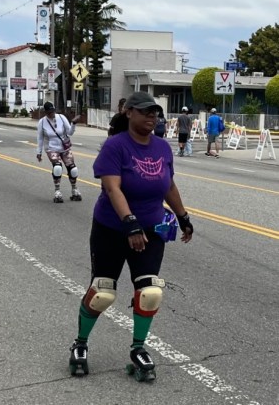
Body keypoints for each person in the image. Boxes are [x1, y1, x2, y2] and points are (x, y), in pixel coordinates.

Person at [67, 91, 194, 381]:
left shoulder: (162, 148)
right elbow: (113, 188)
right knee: (102, 292)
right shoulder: (116, 146)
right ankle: (80, 343)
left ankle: (138, 348)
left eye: (155, 112)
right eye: (145, 111)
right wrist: (130, 224)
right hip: (112, 228)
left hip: (151, 230)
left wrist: (183, 216)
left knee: (150, 292)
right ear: (129, 113)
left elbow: (168, 185)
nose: (152, 116)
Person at [36, 101, 81, 203]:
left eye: (53, 111)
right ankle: (57, 191)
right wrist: (39, 152)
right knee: (57, 167)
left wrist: (73, 124)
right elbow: (40, 138)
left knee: (73, 168)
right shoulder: (42, 122)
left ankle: (74, 189)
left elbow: (70, 133)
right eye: (49, 112)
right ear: (45, 112)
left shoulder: (61, 118)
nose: (51, 114)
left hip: (64, 147)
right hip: (51, 148)